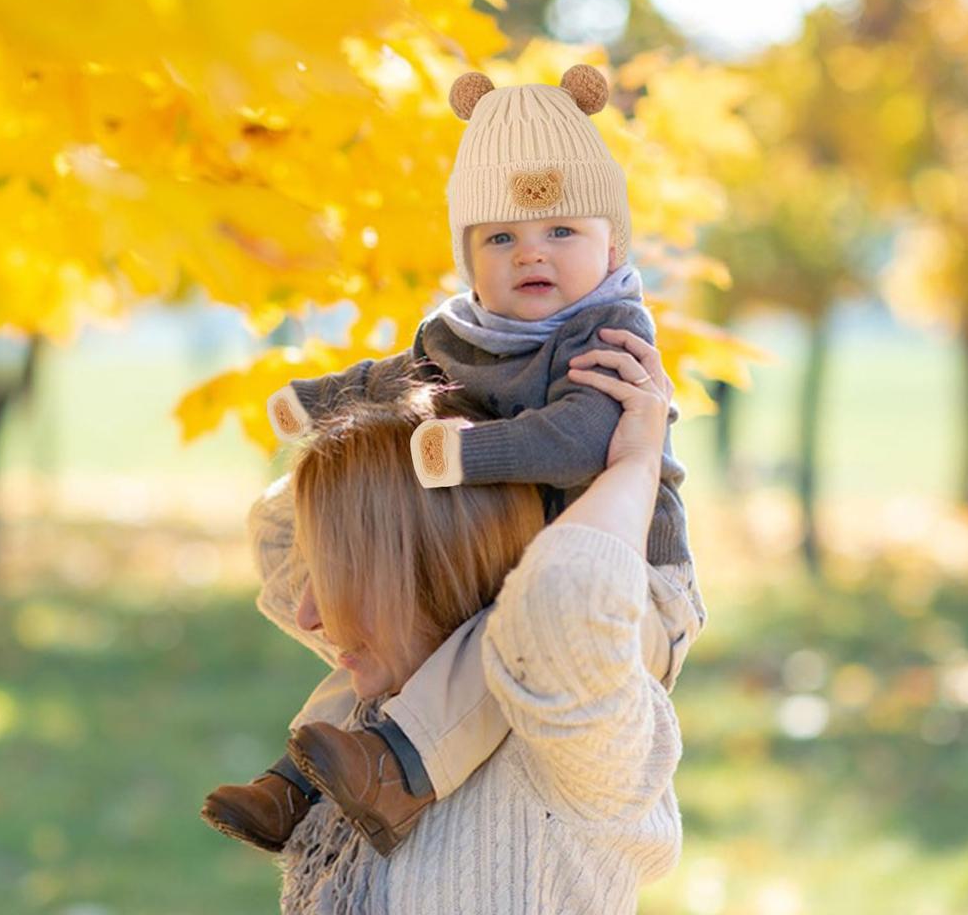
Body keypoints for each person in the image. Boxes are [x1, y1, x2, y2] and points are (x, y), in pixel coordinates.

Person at [201, 65, 705, 855]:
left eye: (561, 232)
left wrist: (467, 456)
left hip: (624, 588)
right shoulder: (463, 334)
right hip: (507, 559)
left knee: (500, 638)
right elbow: (398, 379)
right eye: (501, 237)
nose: (531, 254)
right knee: (401, 628)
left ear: (613, 243)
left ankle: (401, 765)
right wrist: (318, 402)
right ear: (470, 261)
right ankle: (298, 776)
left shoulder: (610, 335)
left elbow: (580, 440)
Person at [272, 330, 686, 913]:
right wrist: (469, 368)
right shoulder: (394, 703)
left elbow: (568, 589)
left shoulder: (565, 737)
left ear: (433, 572)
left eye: (339, 576)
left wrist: (638, 466)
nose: (308, 615)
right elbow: (273, 532)